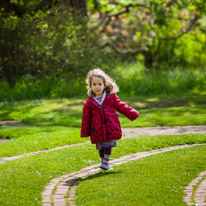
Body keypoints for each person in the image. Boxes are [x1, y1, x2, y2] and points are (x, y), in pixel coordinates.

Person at [81, 68, 139, 170]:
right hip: (97, 128)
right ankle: (103, 161)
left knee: (107, 144)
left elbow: (120, 106)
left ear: (104, 85)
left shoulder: (111, 97)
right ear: (90, 86)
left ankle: (106, 162)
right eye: (94, 84)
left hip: (110, 126)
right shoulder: (89, 102)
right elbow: (86, 118)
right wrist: (85, 131)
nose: (97, 87)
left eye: (100, 84)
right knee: (100, 146)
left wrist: (131, 113)